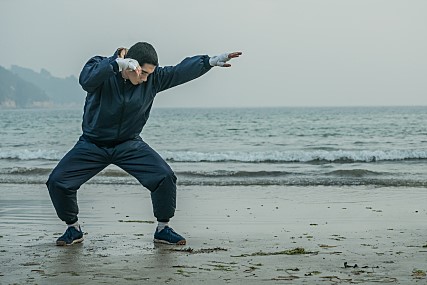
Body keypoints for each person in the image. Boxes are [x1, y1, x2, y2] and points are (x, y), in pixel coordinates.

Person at [46, 42, 242, 246]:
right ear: (132, 66)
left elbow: (179, 71)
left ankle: (163, 229)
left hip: (129, 144)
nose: (146, 78)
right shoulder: (102, 67)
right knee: (57, 182)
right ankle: (73, 229)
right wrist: (116, 64)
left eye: (150, 74)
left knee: (164, 177)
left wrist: (208, 62)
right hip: (93, 144)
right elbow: (86, 80)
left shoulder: (152, 79)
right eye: (143, 73)